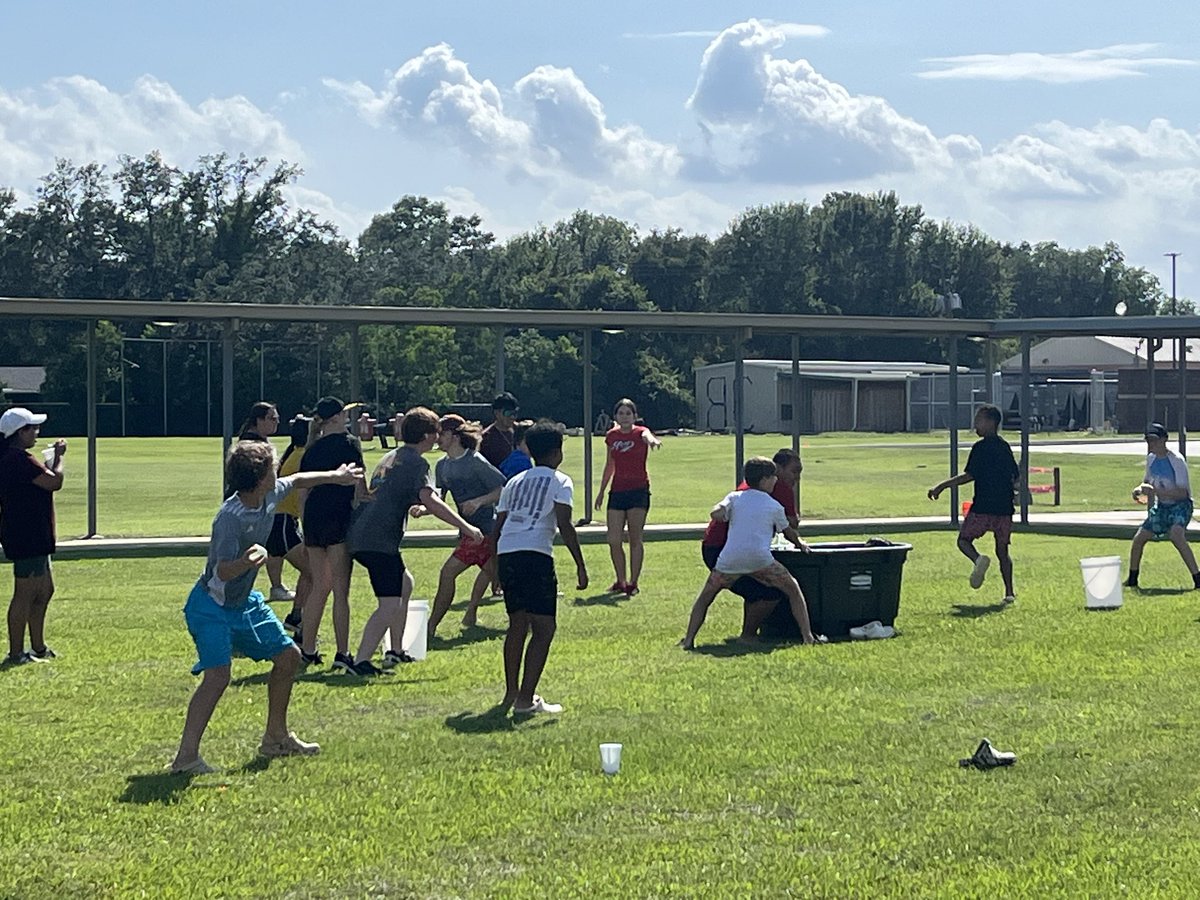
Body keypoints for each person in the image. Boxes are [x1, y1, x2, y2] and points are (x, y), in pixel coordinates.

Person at [169, 440, 363, 774]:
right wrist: (247, 561)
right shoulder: (229, 518)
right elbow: (221, 570)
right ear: (261, 478)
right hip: (211, 606)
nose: (279, 472)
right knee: (218, 677)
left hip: (244, 605)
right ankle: (185, 758)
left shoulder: (269, 493)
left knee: (289, 658)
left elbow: (300, 479)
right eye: (273, 468)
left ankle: (276, 738)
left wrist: (337, 474)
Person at [347, 408, 483, 675]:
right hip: (378, 540)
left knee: (404, 583)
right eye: (436, 432)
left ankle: (395, 651)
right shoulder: (416, 462)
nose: (438, 438)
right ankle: (361, 661)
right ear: (425, 435)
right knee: (389, 603)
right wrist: (467, 528)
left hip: (362, 533)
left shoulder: (392, 455)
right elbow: (430, 500)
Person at [494, 420, 588, 714]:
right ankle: (526, 700)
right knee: (544, 628)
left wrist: (495, 567)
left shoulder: (515, 481)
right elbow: (564, 524)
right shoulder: (561, 481)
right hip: (535, 553)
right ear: (557, 452)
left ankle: (512, 693)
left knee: (517, 624)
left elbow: (497, 527)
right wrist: (580, 566)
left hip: (508, 551)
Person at [681, 456, 821, 650]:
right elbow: (788, 532)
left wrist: (717, 513)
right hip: (760, 561)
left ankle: (688, 640)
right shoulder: (774, 506)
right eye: (773, 477)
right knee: (793, 589)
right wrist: (800, 544)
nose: (776, 480)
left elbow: (718, 510)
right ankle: (808, 637)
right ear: (764, 480)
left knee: (705, 598)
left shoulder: (735, 496)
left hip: (728, 561)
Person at [296, 396, 365, 672]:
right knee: (340, 589)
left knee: (318, 587)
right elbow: (359, 487)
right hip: (337, 518)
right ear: (335, 419)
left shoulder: (311, 449)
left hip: (313, 519)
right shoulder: (349, 444)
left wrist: (304, 525)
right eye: (343, 415)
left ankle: (308, 649)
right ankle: (342, 652)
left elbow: (302, 492)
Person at [927, 404, 1020, 604]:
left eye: (978, 420)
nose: (975, 424)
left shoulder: (980, 448)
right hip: (1004, 509)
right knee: (1003, 551)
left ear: (990, 422)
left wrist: (942, 486)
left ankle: (978, 559)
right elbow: (1015, 475)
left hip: (983, 507)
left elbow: (969, 475)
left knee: (963, 540)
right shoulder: (1004, 447)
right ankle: (1009, 593)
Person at [425, 415, 507, 634]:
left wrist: (479, 501)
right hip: (468, 532)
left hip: (485, 532)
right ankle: (524, 619)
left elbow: (503, 489)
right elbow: (439, 498)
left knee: (447, 573)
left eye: (441, 433)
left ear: (454, 436)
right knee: (499, 575)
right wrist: (424, 509)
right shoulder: (442, 466)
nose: (437, 438)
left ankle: (430, 627)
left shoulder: (475, 461)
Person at [0, 408, 65, 666]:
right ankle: (16, 653)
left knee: (45, 590)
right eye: (32, 428)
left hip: (33, 533)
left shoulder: (17, 458)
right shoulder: (17, 460)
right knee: (25, 594)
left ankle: (38, 647)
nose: (37, 432)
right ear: (19, 433)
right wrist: (58, 458)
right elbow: (54, 482)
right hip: (26, 535)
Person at [594, 398, 661, 595]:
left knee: (635, 538)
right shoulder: (611, 436)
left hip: (638, 490)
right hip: (617, 491)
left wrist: (654, 441)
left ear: (634, 416)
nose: (624, 417)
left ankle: (633, 582)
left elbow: (648, 436)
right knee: (614, 539)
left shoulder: (640, 432)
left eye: (628, 413)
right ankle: (620, 580)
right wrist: (600, 492)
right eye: (621, 413)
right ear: (616, 416)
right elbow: (610, 465)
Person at [1125, 423, 1200, 590]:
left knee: (1176, 535)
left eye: (1154, 440)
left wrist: (1157, 491)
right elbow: (1146, 482)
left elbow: (1183, 493)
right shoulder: (1151, 459)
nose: (1151, 444)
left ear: (1164, 440)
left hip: (1180, 506)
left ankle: (1197, 578)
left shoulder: (1176, 460)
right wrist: (1138, 490)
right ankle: (1132, 579)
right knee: (1139, 538)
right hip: (1162, 507)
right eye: (1148, 440)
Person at [235, 401, 296, 604]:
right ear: (258, 420)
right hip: (248, 507)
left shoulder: (255, 441)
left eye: (277, 419)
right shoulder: (253, 446)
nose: (276, 423)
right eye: (272, 419)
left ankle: (275, 586)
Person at [272, 415, 312, 633]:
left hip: (284, 520)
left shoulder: (293, 452)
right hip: (283, 522)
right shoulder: (303, 457)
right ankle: (297, 620)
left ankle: (296, 617)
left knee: (311, 572)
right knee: (314, 572)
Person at [480, 392, 520, 469]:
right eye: (508, 413)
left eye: (515, 413)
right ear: (497, 413)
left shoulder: (520, 431)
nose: (512, 417)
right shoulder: (486, 437)